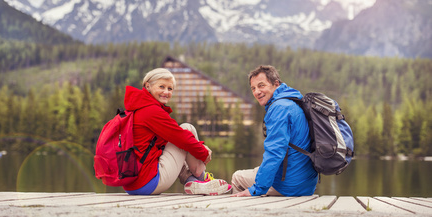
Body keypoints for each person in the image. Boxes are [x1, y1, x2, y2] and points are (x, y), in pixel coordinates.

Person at [122, 68, 231, 195]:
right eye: (161, 86)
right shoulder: (151, 111)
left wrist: (198, 147)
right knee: (187, 129)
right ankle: (201, 178)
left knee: (175, 140)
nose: (166, 92)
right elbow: (182, 137)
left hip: (132, 184)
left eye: (170, 89)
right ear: (148, 86)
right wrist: (204, 152)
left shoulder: (138, 108)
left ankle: (192, 181)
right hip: (148, 183)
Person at [231, 65, 318, 197]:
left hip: (290, 185)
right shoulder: (293, 101)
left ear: (275, 84)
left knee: (237, 177)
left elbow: (275, 152)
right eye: (253, 88)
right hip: (306, 183)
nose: (257, 92)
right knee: (258, 171)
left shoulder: (279, 108)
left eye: (261, 86)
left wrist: (257, 189)